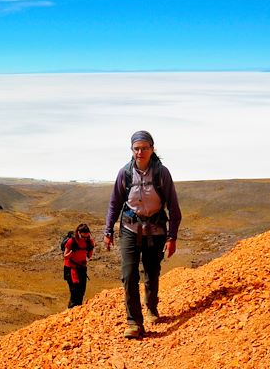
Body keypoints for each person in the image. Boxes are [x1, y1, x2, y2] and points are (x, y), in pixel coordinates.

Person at [104, 130, 182, 339]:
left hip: (155, 231)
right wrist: (108, 230)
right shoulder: (125, 173)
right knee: (129, 274)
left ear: (152, 149)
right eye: (136, 148)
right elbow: (115, 203)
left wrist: (172, 237)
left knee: (152, 272)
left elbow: (174, 208)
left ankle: (151, 307)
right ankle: (134, 323)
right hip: (130, 229)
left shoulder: (161, 173)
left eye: (144, 148)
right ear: (131, 150)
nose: (140, 152)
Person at [63, 223, 94, 308]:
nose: (85, 239)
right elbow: (65, 256)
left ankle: (78, 310)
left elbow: (89, 255)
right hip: (71, 268)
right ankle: (71, 311)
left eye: (87, 237)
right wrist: (73, 252)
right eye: (83, 237)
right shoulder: (71, 241)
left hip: (82, 268)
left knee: (81, 291)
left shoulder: (89, 241)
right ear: (78, 233)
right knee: (74, 292)